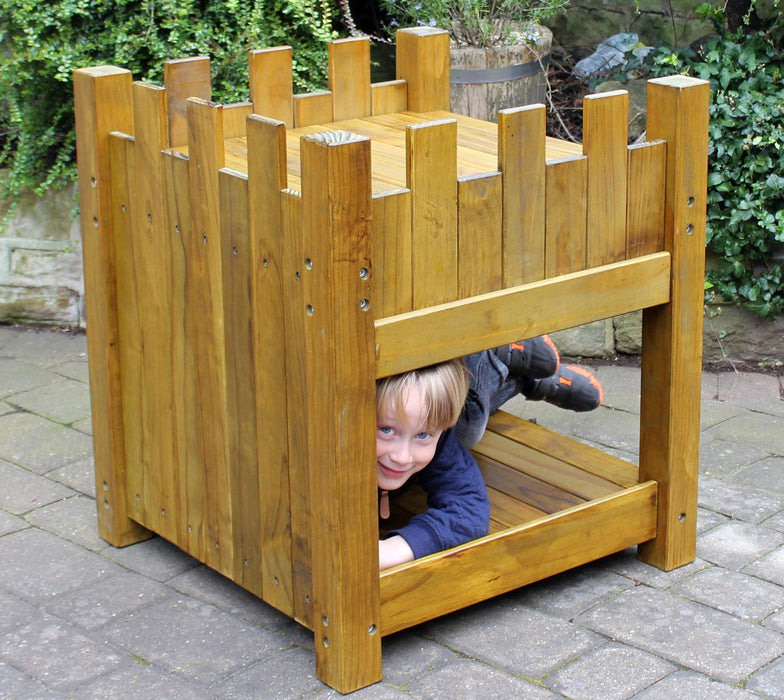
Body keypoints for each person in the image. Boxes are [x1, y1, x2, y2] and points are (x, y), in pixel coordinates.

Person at [376, 336, 603, 570]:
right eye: (385, 430)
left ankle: (487, 348)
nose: (401, 456)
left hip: (458, 369)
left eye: (423, 436)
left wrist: (395, 549)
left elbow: (469, 510)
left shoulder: (438, 436)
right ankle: (526, 379)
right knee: (468, 429)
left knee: (468, 422)